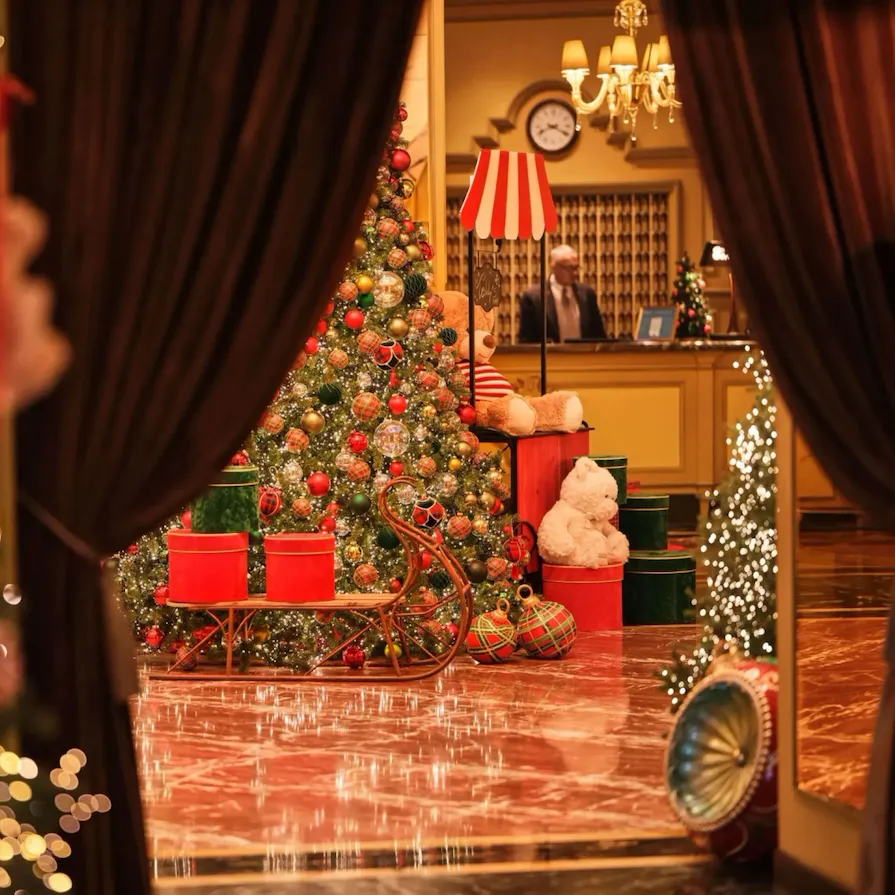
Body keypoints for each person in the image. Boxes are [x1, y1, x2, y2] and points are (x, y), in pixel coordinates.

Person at [518, 244, 607, 343]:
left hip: (583, 353)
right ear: (554, 267)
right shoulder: (533, 298)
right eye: (570, 268)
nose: (575, 273)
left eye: (576, 268)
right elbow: (526, 341)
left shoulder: (587, 294)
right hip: (551, 353)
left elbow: (599, 335)